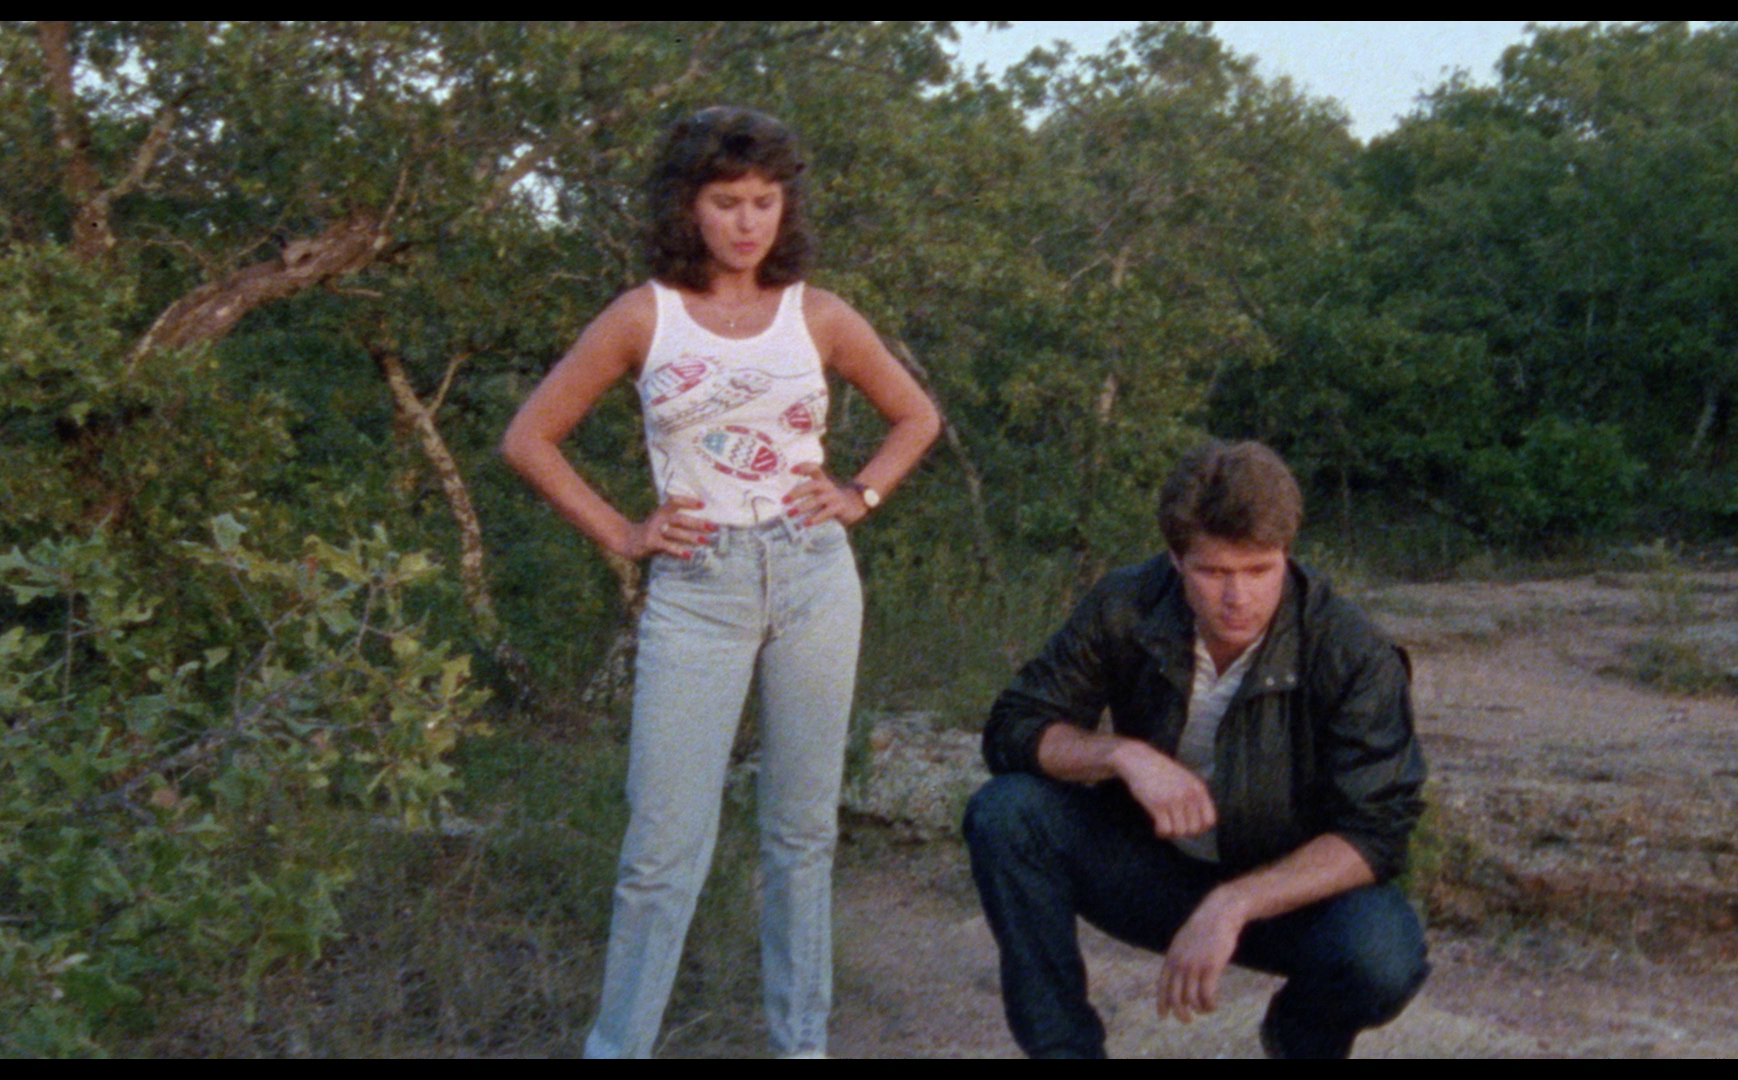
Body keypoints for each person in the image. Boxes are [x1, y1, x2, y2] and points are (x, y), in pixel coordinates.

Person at [500, 106, 940, 1059]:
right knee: (661, 851)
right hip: (698, 587)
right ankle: (618, 1047)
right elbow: (529, 438)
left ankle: (802, 1044)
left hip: (814, 576)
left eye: (764, 201)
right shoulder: (643, 316)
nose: (747, 222)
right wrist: (625, 532)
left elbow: (917, 417)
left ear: (786, 207)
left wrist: (859, 494)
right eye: (726, 201)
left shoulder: (818, 315)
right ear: (687, 206)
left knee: (802, 836)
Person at [964, 440, 1428, 1059]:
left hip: (1283, 893)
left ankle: (1298, 1037)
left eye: (1259, 570)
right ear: (1177, 560)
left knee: (1383, 953)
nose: (1237, 597)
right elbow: (1015, 727)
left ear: (1286, 555)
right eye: (1213, 572)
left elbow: (1378, 832)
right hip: (1152, 867)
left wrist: (1234, 902)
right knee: (1007, 812)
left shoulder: (1350, 649)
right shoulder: (1126, 604)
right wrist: (1121, 755)